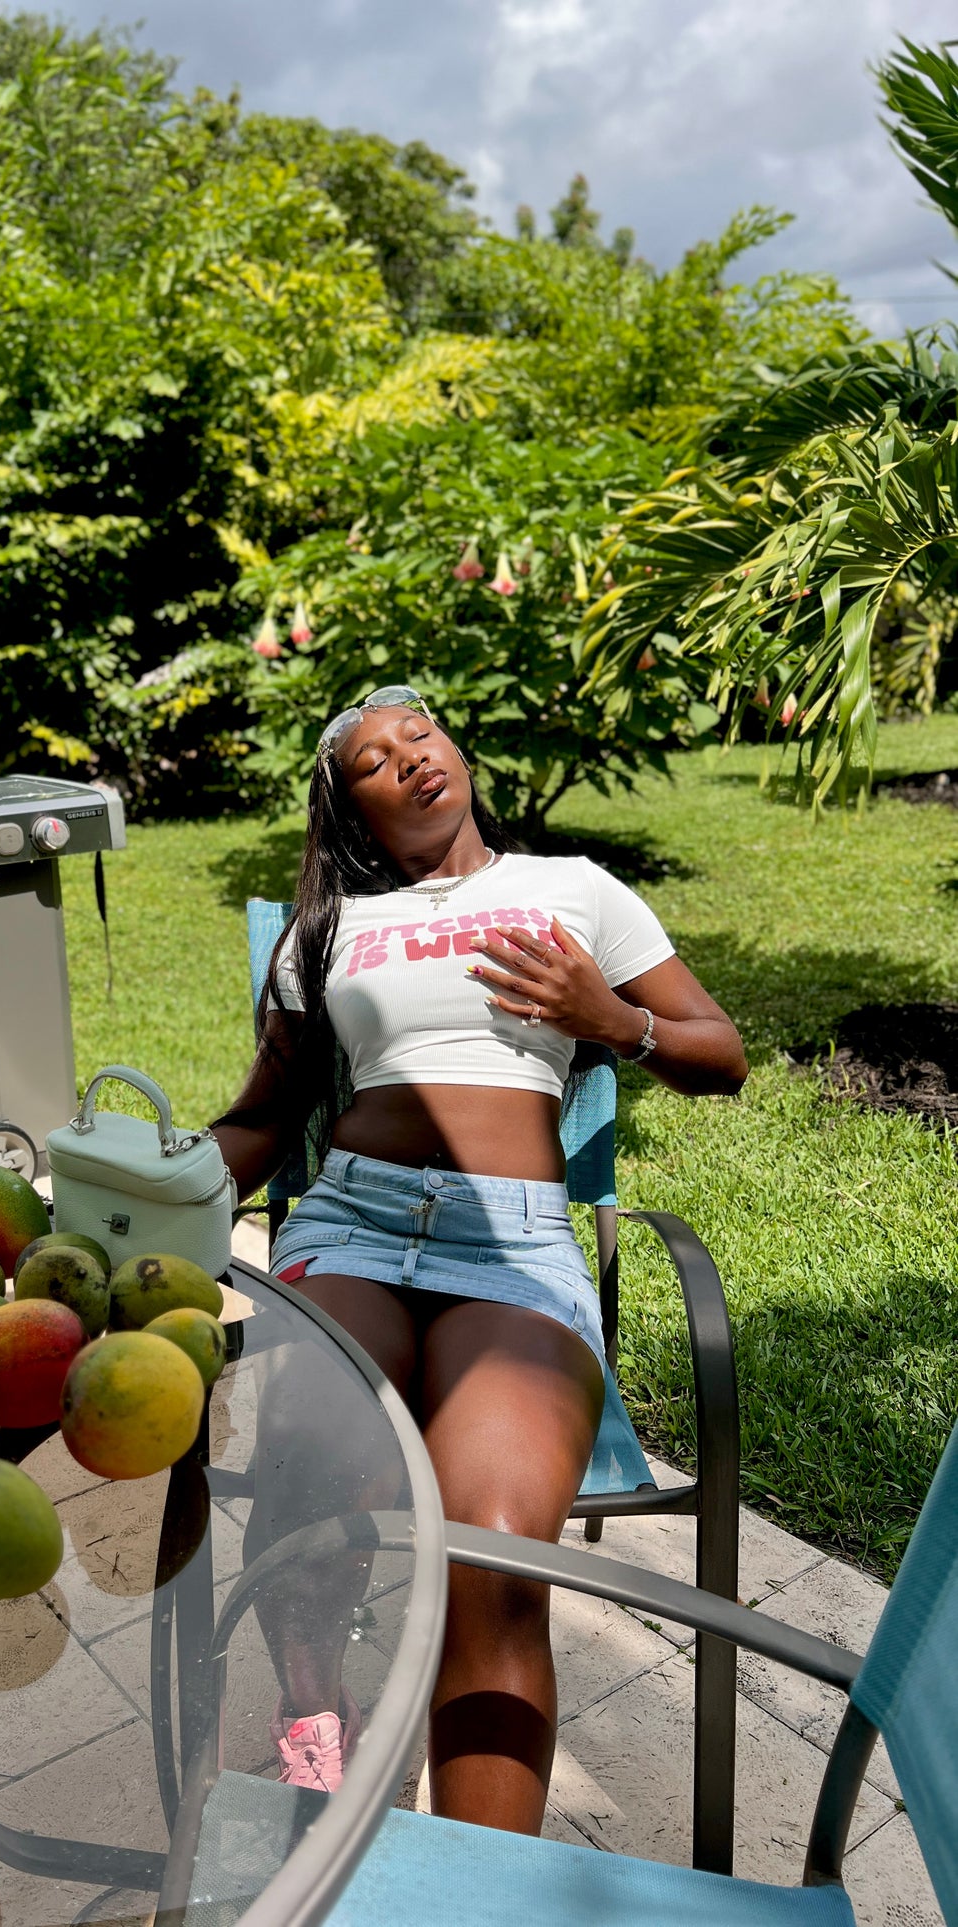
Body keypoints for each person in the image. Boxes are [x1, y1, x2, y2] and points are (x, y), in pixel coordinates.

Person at [209, 685, 746, 1831]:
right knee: (304, 1501)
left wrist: (612, 1019)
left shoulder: (572, 890)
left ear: (455, 755)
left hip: (510, 1239)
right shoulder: (330, 929)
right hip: (353, 1217)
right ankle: (320, 1752)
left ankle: (476, 1883)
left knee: (497, 1556)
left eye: (421, 735)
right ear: (347, 807)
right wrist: (156, 1185)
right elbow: (264, 1116)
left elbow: (720, 1053)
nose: (408, 759)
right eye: (370, 760)